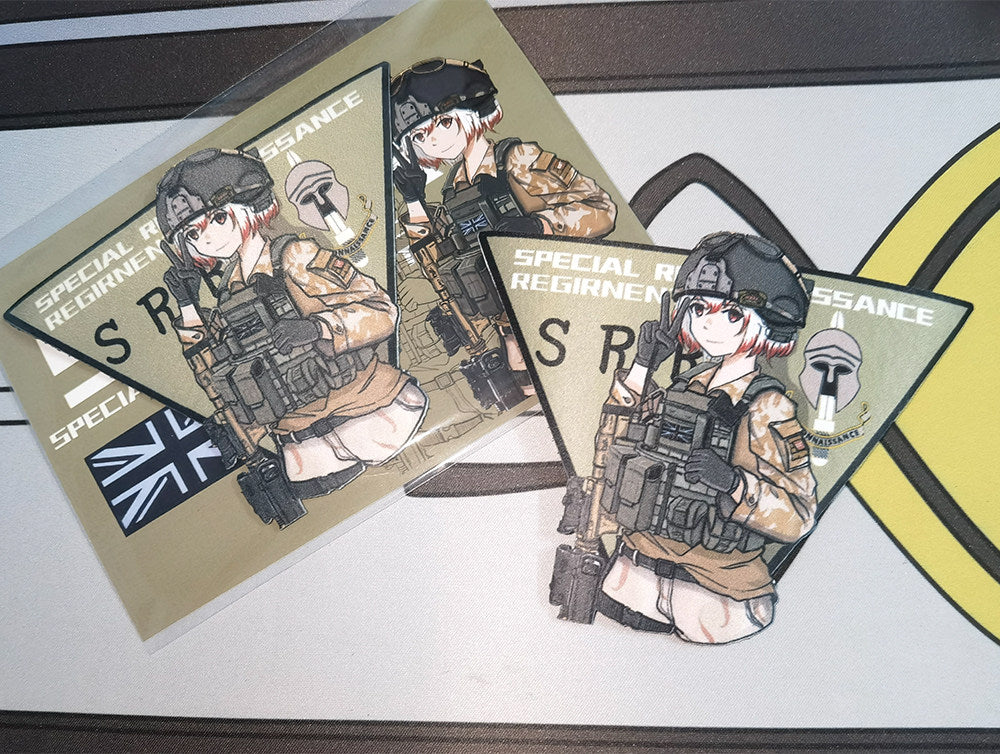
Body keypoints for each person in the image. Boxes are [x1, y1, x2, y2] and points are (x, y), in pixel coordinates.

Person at [156, 148, 426, 523]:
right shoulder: (228, 297)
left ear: (248, 208)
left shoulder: (295, 256)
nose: (209, 238)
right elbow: (212, 371)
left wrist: (318, 328)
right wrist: (187, 304)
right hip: (306, 452)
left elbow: (382, 310)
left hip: (372, 414)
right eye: (192, 234)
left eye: (218, 218)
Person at [592, 231, 817, 643]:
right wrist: (643, 366)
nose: (709, 324)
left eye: (730, 314)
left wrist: (734, 483)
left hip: (715, 595)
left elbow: (798, 516)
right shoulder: (685, 386)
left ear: (767, 322)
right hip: (634, 574)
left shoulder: (767, 407)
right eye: (698, 308)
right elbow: (611, 447)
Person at [390, 58, 617, 409]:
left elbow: (600, 209)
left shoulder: (517, 160)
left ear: (472, 114)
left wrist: (541, 225)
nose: (433, 140)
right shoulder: (453, 190)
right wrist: (414, 200)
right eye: (420, 136)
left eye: (444, 123)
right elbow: (438, 269)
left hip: (558, 310)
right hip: (510, 330)